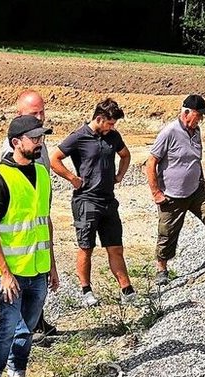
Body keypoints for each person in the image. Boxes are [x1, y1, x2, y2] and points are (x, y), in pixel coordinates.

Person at [0, 115, 59, 377]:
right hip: (11, 273)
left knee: (27, 329)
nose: (40, 143)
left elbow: (44, 221)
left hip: (37, 269)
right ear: (16, 142)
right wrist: (4, 273)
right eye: (34, 138)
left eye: (41, 138)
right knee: (7, 328)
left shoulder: (42, 173)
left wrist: (51, 265)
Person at [49, 98, 137, 307]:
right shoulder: (79, 137)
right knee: (86, 247)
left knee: (115, 247)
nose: (112, 127)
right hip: (86, 200)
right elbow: (54, 159)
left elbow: (125, 155)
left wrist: (119, 175)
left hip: (108, 201)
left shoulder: (113, 136)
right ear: (99, 118)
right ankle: (86, 291)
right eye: (110, 123)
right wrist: (72, 178)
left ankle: (127, 290)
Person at [144, 94, 205, 289]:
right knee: (167, 232)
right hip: (172, 195)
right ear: (186, 113)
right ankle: (161, 269)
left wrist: (202, 180)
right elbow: (151, 162)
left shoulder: (196, 131)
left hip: (196, 190)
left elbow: (195, 160)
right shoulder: (169, 132)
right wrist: (156, 192)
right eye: (199, 115)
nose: (201, 119)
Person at [2, 89, 64, 340]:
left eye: (42, 112)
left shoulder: (40, 141)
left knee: (37, 281)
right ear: (19, 115)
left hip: (39, 215)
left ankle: (35, 323)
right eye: (33, 113)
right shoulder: (15, 148)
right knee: (24, 283)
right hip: (22, 226)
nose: (39, 117)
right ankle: (23, 334)